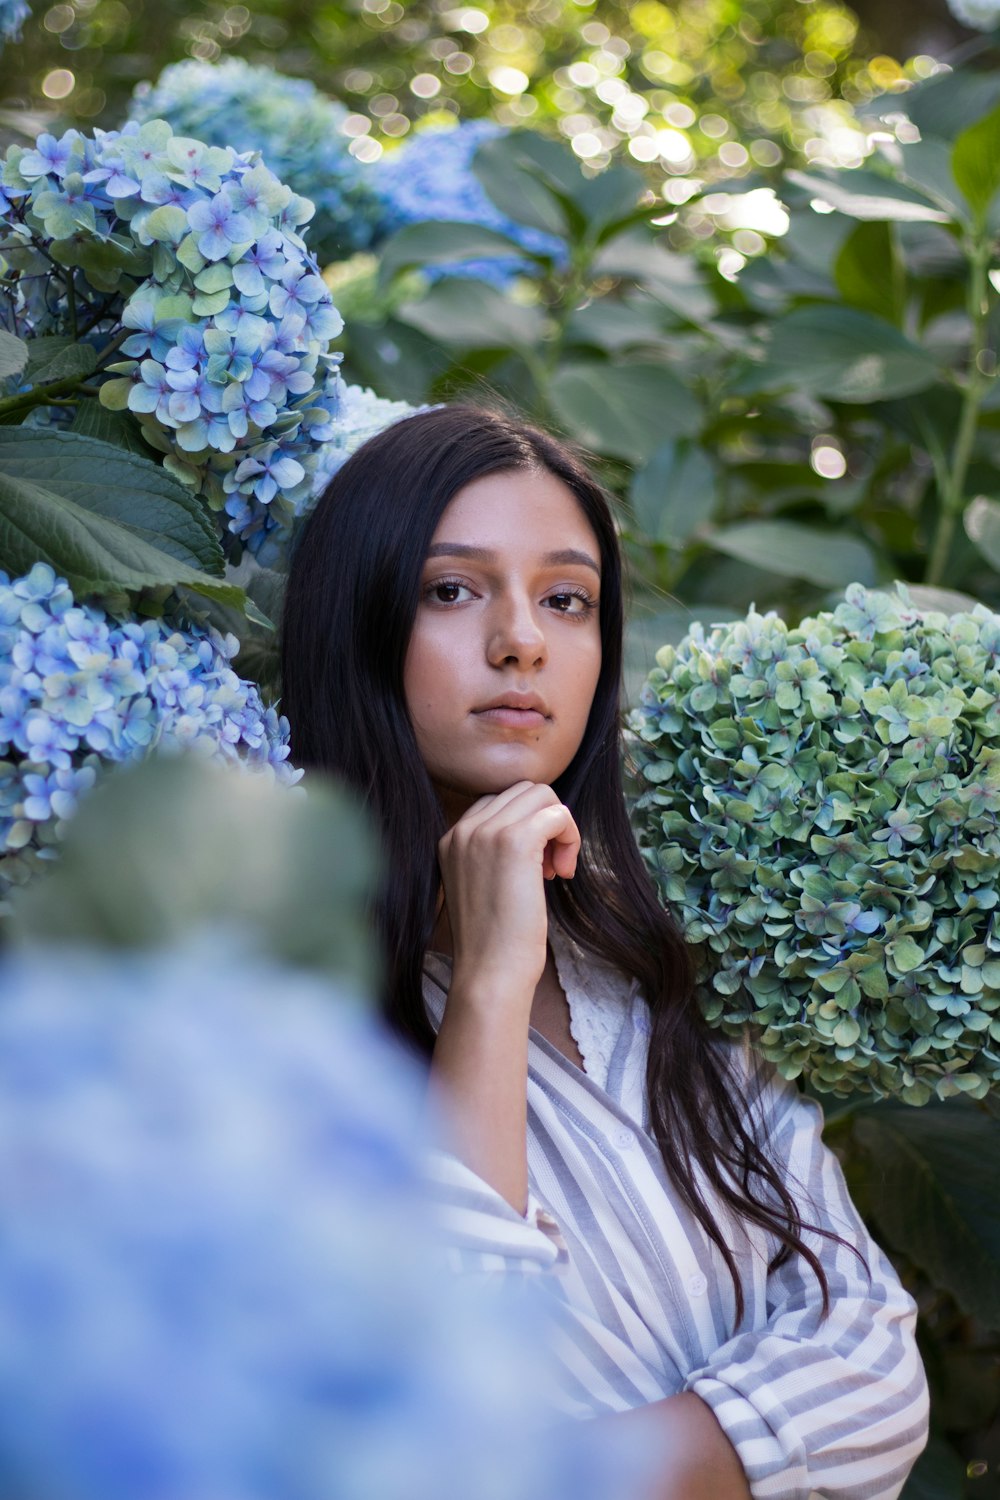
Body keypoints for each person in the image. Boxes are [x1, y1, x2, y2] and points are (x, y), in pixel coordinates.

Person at [280, 403, 929, 1500]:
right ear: (358, 620)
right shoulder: (282, 1026)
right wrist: (486, 987)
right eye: (451, 589)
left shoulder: (665, 971)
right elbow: (440, 1424)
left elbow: (876, 1360)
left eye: (566, 599)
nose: (521, 639)